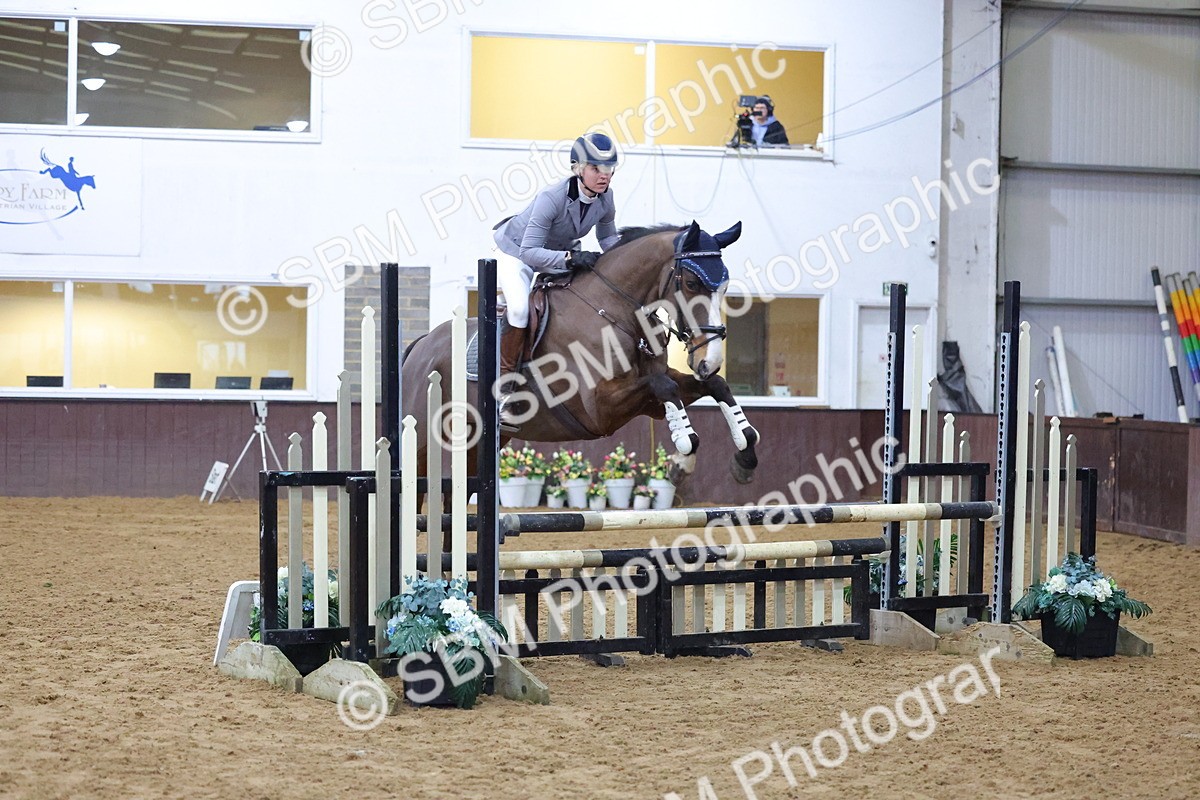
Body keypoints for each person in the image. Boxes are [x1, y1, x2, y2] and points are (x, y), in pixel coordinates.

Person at [491, 131, 620, 422]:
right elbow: (530, 251)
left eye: (609, 169)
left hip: (558, 255)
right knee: (521, 309)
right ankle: (506, 389)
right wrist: (571, 259)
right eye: (596, 169)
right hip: (517, 254)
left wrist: (621, 263)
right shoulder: (552, 197)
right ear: (578, 169)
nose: (604, 176)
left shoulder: (606, 199)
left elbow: (608, 238)